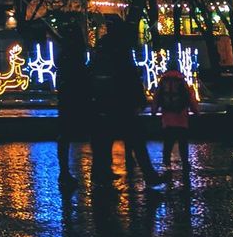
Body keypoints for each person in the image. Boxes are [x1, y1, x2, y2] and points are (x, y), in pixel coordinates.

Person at [89, 19, 163, 188]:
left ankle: (100, 174)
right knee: (136, 139)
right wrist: (139, 97)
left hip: (105, 102)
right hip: (122, 102)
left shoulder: (102, 47)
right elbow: (128, 74)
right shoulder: (121, 48)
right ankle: (149, 175)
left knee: (104, 141)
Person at [54, 22, 91, 189]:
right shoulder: (76, 55)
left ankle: (64, 171)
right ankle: (99, 169)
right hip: (78, 98)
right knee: (92, 133)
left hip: (67, 99)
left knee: (65, 136)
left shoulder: (64, 55)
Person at [153, 55, 199, 184]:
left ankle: (166, 164)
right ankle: (185, 163)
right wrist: (196, 111)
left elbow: (157, 98)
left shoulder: (163, 82)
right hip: (181, 117)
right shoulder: (182, 81)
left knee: (168, 142)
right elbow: (190, 98)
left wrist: (154, 111)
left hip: (167, 117)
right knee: (183, 142)